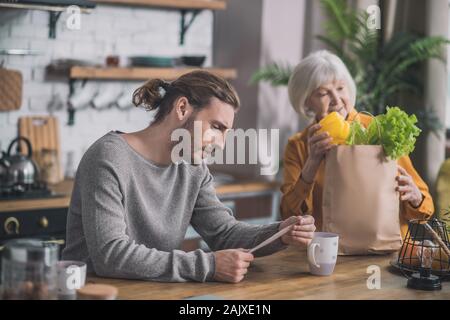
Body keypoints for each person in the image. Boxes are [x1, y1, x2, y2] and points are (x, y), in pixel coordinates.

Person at [62, 71, 316, 283]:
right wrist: (208, 265)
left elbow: (224, 233)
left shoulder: (192, 168)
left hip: (152, 292)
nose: (220, 144)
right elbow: (110, 256)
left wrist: (279, 233)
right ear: (182, 108)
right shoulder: (108, 157)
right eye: (216, 127)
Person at [280, 50, 434, 239]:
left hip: (386, 251)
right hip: (330, 252)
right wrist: (312, 163)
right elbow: (288, 216)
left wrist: (415, 197)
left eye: (340, 88)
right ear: (306, 102)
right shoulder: (299, 145)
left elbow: (425, 211)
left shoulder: (379, 130)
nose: (336, 100)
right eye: (323, 93)